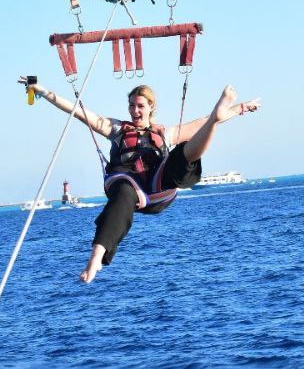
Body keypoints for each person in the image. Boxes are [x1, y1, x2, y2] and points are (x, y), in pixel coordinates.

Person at [19, 76, 261, 283]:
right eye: (132, 106)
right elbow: (78, 111)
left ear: (151, 108)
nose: (135, 111)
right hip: (127, 184)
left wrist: (241, 108)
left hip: (158, 189)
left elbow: (200, 122)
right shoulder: (116, 129)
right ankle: (96, 258)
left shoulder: (165, 133)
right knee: (124, 192)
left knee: (184, 151)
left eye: (140, 106)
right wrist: (42, 90)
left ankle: (216, 121)